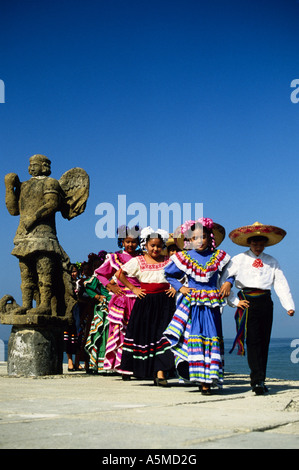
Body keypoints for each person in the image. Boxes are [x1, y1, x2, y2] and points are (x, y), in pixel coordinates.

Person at [222, 221, 295, 395]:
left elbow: (281, 283)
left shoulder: (272, 261)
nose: (258, 246)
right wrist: (234, 302)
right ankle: (256, 381)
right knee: (253, 341)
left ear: (265, 244)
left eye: (261, 244)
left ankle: (261, 378)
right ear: (249, 243)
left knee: (264, 341)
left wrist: (289, 305)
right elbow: (224, 281)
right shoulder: (238, 259)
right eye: (255, 243)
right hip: (247, 301)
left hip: (265, 302)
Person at [163, 218, 232, 395]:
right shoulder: (184, 257)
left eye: (203, 237)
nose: (199, 241)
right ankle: (201, 379)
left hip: (212, 303)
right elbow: (169, 274)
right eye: (195, 238)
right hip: (192, 303)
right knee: (194, 338)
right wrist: (181, 288)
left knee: (212, 337)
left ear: (210, 238)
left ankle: (208, 380)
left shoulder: (219, 256)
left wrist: (228, 283)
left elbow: (230, 272)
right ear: (189, 241)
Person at [117, 227, 177, 386]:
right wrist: (133, 289)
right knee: (147, 335)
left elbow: (181, 275)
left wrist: (174, 287)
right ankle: (149, 371)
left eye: (158, 246)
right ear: (145, 245)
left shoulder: (168, 261)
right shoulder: (138, 261)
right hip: (145, 302)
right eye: (152, 246)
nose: (155, 249)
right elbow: (120, 274)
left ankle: (160, 373)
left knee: (162, 335)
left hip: (165, 302)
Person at [95, 226, 142, 377]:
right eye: (127, 242)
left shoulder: (141, 258)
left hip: (138, 298)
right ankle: (123, 367)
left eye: (133, 242)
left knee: (137, 333)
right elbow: (100, 274)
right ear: (122, 242)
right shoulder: (115, 258)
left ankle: (136, 366)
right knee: (121, 333)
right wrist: (110, 286)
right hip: (121, 299)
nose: (130, 245)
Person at [84, 251, 112, 374]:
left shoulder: (117, 274)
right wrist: (97, 296)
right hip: (104, 308)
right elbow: (87, 285)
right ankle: (100, 364)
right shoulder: (99, 276)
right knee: (102, 334)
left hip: (117, 306)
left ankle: (111, 364)